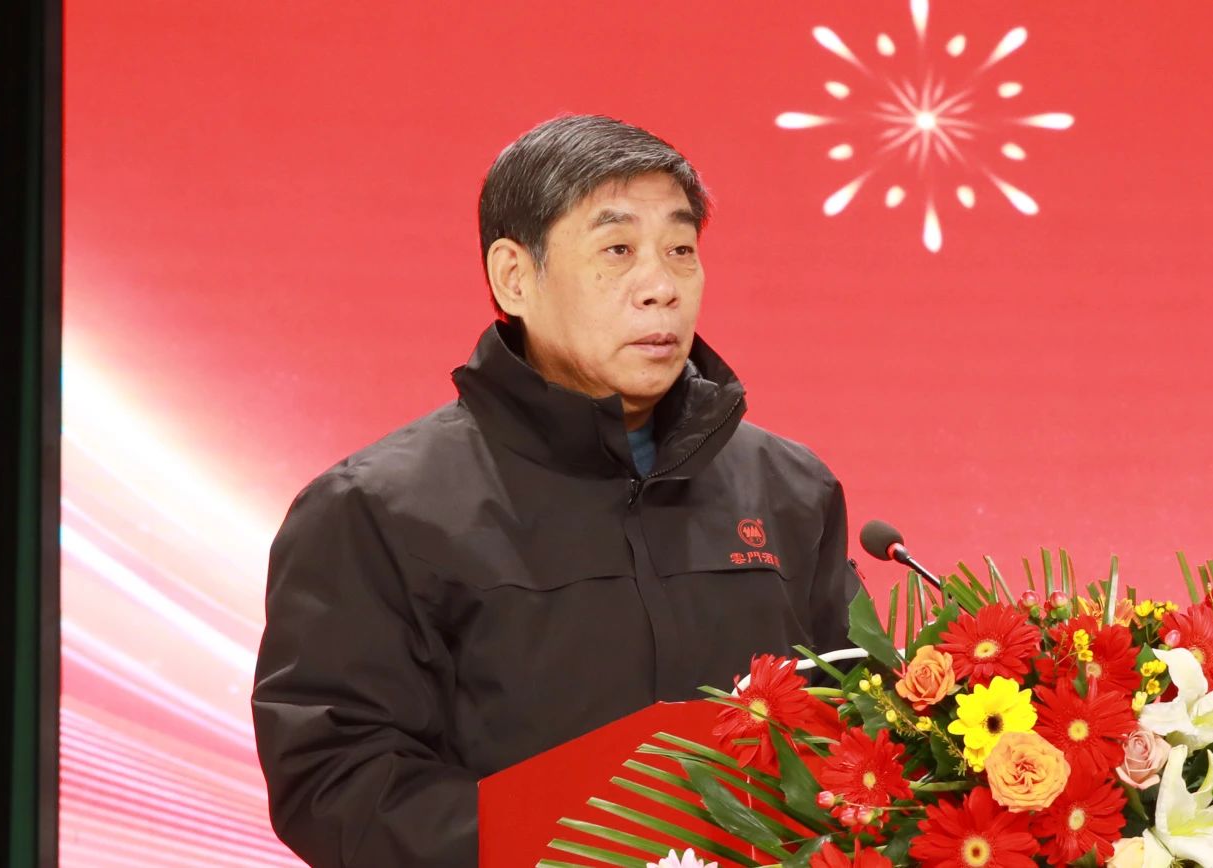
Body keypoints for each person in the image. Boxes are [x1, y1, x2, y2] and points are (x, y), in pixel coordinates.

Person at [251, 114, 860, 867]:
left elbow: (858, 731)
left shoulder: (791, 490)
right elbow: (335, 778)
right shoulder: (377, 509)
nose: (660, 288)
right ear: (514, 276)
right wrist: (571, 852)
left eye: (680, 250)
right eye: (617, 250)